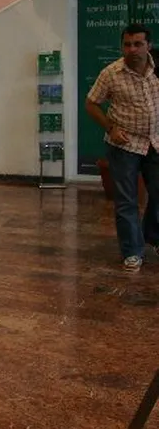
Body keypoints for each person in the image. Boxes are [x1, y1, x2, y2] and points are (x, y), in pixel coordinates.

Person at [86, 23, 159, 273]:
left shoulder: (157, 68)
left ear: (148, 46)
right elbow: (91, 103)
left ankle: (152, 234)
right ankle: (132, 251)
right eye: (127, 44)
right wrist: (110, 128)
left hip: (155, 142)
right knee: (127, 200)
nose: (132, 49)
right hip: (124, 145)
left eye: (138, 44)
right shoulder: (111, 73)